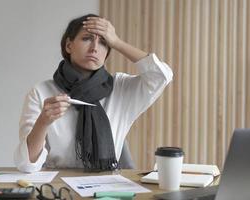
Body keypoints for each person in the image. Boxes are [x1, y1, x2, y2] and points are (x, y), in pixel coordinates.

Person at [14, 14, 173, 173]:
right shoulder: (42, 92)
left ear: (107, 54)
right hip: (58, 186)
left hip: (108, 186)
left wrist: (117, 42)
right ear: (69, 45)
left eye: (104, 42)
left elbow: (161, 76)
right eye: (87, 38)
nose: (95, 48)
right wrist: (43, 122)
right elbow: (27, 164)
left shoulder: (121, 88)